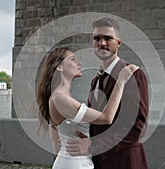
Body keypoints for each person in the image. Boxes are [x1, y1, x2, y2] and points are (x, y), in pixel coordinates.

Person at [65, 18, 149, 169]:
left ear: (118, 43)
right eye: (97, 38)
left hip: (126, 161)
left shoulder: (133, 74)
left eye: (108, 38)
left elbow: (138, 127)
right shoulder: (95, 80)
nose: (102, 43)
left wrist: (92, 145)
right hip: (99, 163)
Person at [36, 47, 139, 169]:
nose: (79, 63)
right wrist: (120, 81)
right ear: (60, 67)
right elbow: (107, 117)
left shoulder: (58, 97)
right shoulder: (60, 98)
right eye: (73, 59)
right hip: (76, 163)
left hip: (70, 162)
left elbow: (56, 143)